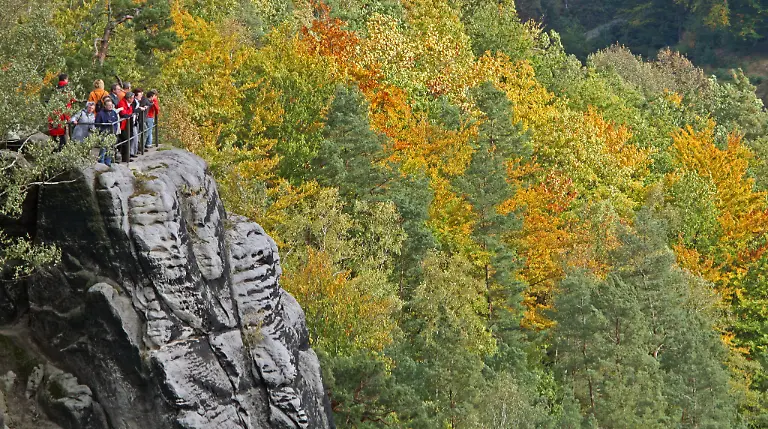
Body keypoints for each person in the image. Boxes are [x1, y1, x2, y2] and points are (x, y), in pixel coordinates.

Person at [47, 73, 73, 150]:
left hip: (55, 116)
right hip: (63, 115)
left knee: (55, 136)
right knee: (63, 137)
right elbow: (71, 100)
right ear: (65, 79)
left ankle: (56, 149)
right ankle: (60, 151)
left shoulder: (55, 89)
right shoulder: (67, 89)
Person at [95, 98, 120, 165]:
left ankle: (108, 162)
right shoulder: (100, 114)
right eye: (108, 105)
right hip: (104, 133)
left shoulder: (113, 112)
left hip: (112, 133)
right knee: (103, 148)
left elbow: (116, 122)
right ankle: (101, 162)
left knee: (110, 148)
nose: (110, 107)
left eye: (111, 105)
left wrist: (114, 130)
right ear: (105, 106)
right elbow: (97, 124)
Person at [117, 91, 135, 159]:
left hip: (128, 123)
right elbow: (123, 113)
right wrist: (129, 115)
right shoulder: (122, 103)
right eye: (132, 98)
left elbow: (130, 112)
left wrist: (129, 115)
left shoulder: (129, 104)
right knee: (125, 140)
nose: (133, 100)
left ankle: (127, 156)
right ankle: (125, 157)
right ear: (128, 98)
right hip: (123, 124)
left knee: (128, 139)